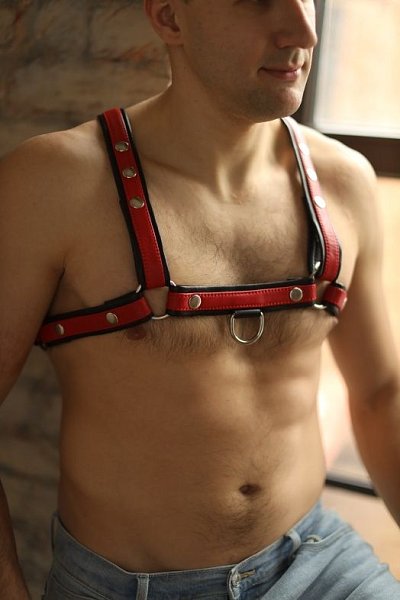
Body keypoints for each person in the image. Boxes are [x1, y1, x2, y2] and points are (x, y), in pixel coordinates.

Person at [0, 0, 399, 598]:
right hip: (127, 586)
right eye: (259, 1)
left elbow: (381, 392)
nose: (303, 30)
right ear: (170, 18)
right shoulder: (56, 182)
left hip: (319, 562)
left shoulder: (345, 180)